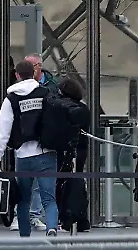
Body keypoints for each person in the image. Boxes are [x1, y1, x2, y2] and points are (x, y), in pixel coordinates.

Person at [0, 59, 59, 237]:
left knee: (23, 199)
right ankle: (52, 227)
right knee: (49, 198)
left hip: (23, 155)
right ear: (34, 73)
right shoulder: (46, 93)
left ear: (17, 75)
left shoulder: (11, 99)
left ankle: (25, 235)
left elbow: (3, 129)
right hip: (46, 153)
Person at [49, 76, 91, 233]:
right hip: (81, 150)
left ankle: (68, 217)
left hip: (69, 151)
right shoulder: (83, 108)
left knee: (64, 184)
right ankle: (80, 217)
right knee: (77, 182)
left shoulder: (65, 108)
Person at [23, 54, 57, 231]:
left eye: (30, 66)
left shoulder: (51, 86)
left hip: (45, 142)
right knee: (25, 182)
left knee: (43, 186)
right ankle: (24, 216)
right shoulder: (19, 89)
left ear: (39, 66)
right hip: (25, 143)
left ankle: (37, 216)